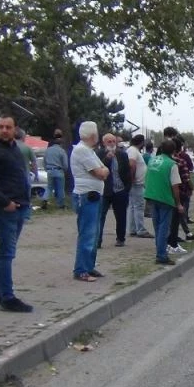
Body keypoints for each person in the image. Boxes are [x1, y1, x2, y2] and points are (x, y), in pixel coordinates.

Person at [0, 115, 34, 312]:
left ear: (14, 129)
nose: (4, 130)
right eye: (0, 126)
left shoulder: (14, 149)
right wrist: (5, 202)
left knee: (3, 250)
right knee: (6, 252)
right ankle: (7, 298)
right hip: (3, 209)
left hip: (19, 206)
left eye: (7, 127)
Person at [71, 121, 109, 282]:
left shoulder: (89, 151)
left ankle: (89, 265)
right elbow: (101, 172)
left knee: (94, 232)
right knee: (87, 233)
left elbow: (103, 168)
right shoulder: (82, 151)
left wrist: (104, 170)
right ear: (93, 135)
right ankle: (81, 269)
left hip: (94, 194)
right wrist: (104, 171)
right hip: (86, 195)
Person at [144, 139, 183, 265]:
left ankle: (160, 251)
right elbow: (175, 187)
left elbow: (147, 178)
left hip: (151, 196)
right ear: (173, 151)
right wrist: (178, 203)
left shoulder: (152, 160)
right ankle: (161, 255)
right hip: (165, 198)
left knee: (157, 226)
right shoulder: (171, 164)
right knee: (163, 228)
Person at [95, 133, 132, 248]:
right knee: (101, 215)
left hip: (119, 189)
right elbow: (97, 169)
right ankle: (98, 240)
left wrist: (127, 188)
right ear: (104, 143)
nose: (111, 144)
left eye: (113, 141)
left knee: (121, 215)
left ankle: (120, 238)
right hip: (104, 190)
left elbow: (127, 172)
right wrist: (107, 158)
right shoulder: (99, 154)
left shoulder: (122, 155)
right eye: (109, 142)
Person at [167, 136, 194, 254]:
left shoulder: (163, 160)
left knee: (170, 219)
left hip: (166, 193)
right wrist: (191, 187)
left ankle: (171, 241)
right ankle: (173, 244)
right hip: (180, 191)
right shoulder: (179, 161)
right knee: (177, 217)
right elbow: (186, 177)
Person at [126, 134, 153, 238]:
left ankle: (133, 228)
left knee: (133, 206)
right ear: (141, 142)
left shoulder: (132, 150)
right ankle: (140, 229)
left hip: (136, 183)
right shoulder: (133, 151)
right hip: (137, 183)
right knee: (138, 206)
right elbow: (132, 164)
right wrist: (132, 179)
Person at [44, 129, 69, 209]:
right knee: (60, 188)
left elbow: (44, 161)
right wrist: (64, 169)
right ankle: (60, 204)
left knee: (49, 187)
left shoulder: (48, 150)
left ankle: (45, 199)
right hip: (59, 170)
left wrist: (46, 169)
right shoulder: (62, 151)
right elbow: (65, 164)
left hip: (50, 170)